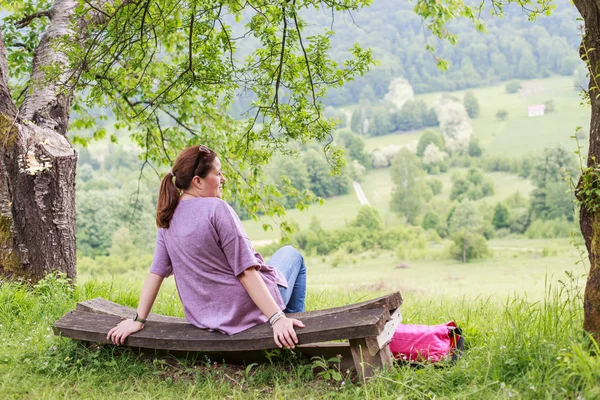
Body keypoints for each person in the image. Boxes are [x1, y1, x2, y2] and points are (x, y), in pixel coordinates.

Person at [107, 145, 307, 349]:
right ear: (197, 181)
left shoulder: (168, 217)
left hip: (206, 318)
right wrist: (277, 318)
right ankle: (291, 337)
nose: (223, 179)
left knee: (275, 264)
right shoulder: (217, 209)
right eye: (218, 173)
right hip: (248, 312)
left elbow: (156, 273)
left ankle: (286, 335)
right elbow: (246, 270)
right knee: (291, 254)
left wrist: (138, 320)